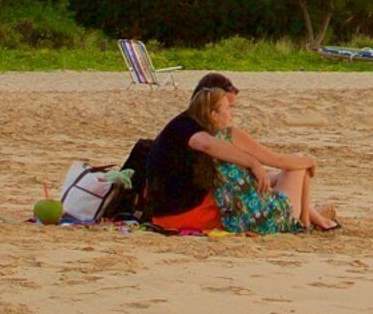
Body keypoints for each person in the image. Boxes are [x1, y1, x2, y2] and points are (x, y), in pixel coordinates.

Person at [137, 74, 337, 233]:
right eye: (228, 107)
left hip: (171, 212)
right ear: (212, 112)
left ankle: (315, 217)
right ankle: (309, 219)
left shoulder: (190, 126)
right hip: (184, 214)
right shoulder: (193, 129)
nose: (232, 114)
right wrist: (256, 163)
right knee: (295, 167)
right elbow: (277, 160)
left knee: (268, 178)